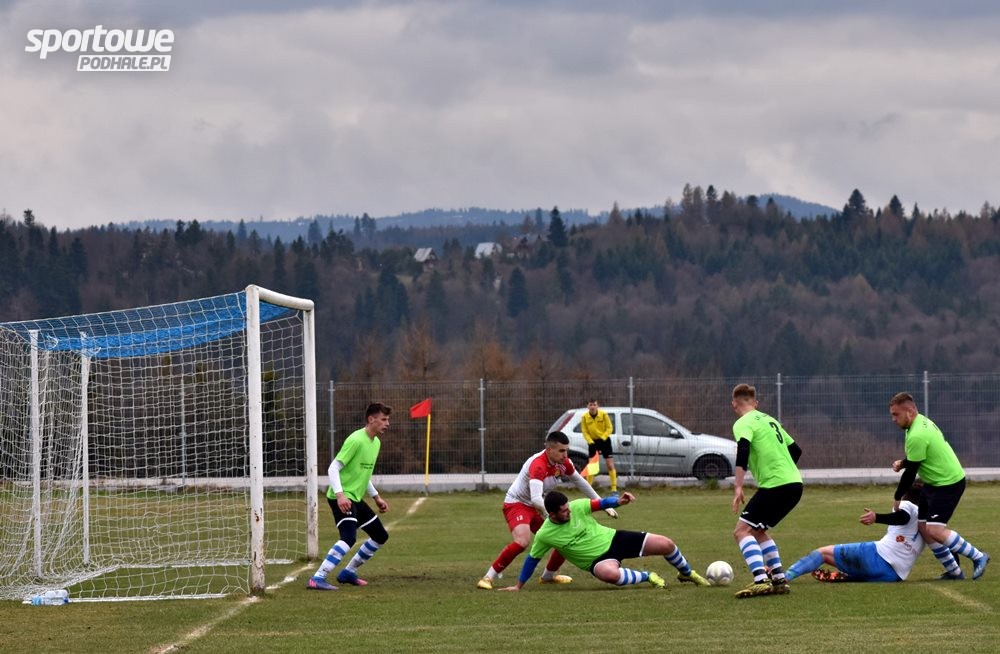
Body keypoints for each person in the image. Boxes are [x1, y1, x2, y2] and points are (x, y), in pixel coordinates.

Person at [477, 431, 617, 590]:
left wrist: (604, 505)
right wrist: (550, 518)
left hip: (539, 505)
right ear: (549, 450)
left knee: (564, 538)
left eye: (567, 450)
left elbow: (581, 483)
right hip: (518, 503)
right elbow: (536, 499)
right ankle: (488, 577)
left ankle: (548, 576)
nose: (566, 455)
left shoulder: (564, 463)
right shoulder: (538, 464)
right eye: (561, 451)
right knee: (522, 541)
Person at [500, 490, 709, 590]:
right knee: (609, 574)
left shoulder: (577, 506)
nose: (569, 512)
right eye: (564, 511)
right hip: (598, 561)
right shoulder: (545, 534)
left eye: (568, 508)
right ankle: (648, 576)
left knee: (666, 544)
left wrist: (618, 501)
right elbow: (532, 559)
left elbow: (599, 504)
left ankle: (687, 573)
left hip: (615, 538)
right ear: (552, 514)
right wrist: (518, 586)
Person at [888, 392, 989, 580]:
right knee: (923, 527)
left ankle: (979, 557)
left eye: (896, 414)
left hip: (948, 484)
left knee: (935, 530)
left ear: (910, 411)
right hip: (933, 483)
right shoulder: (918, 423)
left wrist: (897, 497)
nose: (893, 419)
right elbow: (920, 457)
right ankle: (955, 572)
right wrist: (904, 462)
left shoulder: (917, 434)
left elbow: (911, 474)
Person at [307, 402, 393, 590]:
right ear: (371, 419)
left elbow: (363, 474)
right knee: (348, 537)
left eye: (388, 420)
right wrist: (340, 496)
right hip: (342, 497)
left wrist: (376, 497)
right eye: (384, 419)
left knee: (380, 536)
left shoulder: (376, 443)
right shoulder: (356, 440)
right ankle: (317, 578)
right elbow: (333, 468)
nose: (387, 423)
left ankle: (348, 572)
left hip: (355, 498)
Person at [729, 383, 803, 598]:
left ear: (734, 404)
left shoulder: (743, 423)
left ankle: (761, 580)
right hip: (795, 485)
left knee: (741, 531)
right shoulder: (771, 420)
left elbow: (743, 450)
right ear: (756, 403)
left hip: (775, 485)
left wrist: (738, 486)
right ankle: (778, 579)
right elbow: (796, 450)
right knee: (758, 531)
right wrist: (783, 468)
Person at [785, 483, 925, 583]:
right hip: (893, 576)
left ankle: (785, 577)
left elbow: (903, 517)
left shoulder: (907, 504)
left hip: (877, 557)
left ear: (906, 495)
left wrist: (876, 517)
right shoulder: (927, 522)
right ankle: (849, 575)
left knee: (822, 553)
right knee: (861, 571)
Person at [580, 399, 617, 494]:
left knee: (610, 465)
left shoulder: (604, 414)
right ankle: (589, 489)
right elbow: (584, 431)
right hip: (593, 442)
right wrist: (590, 442)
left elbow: (609, 428)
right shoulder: (584, 417)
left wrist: (603, 437)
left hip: (604, 441)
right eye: (590, 405)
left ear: (597, 406)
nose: (592, 407)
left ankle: (614, 489)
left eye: (594, 405)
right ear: (587, 406)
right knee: (591, 466)